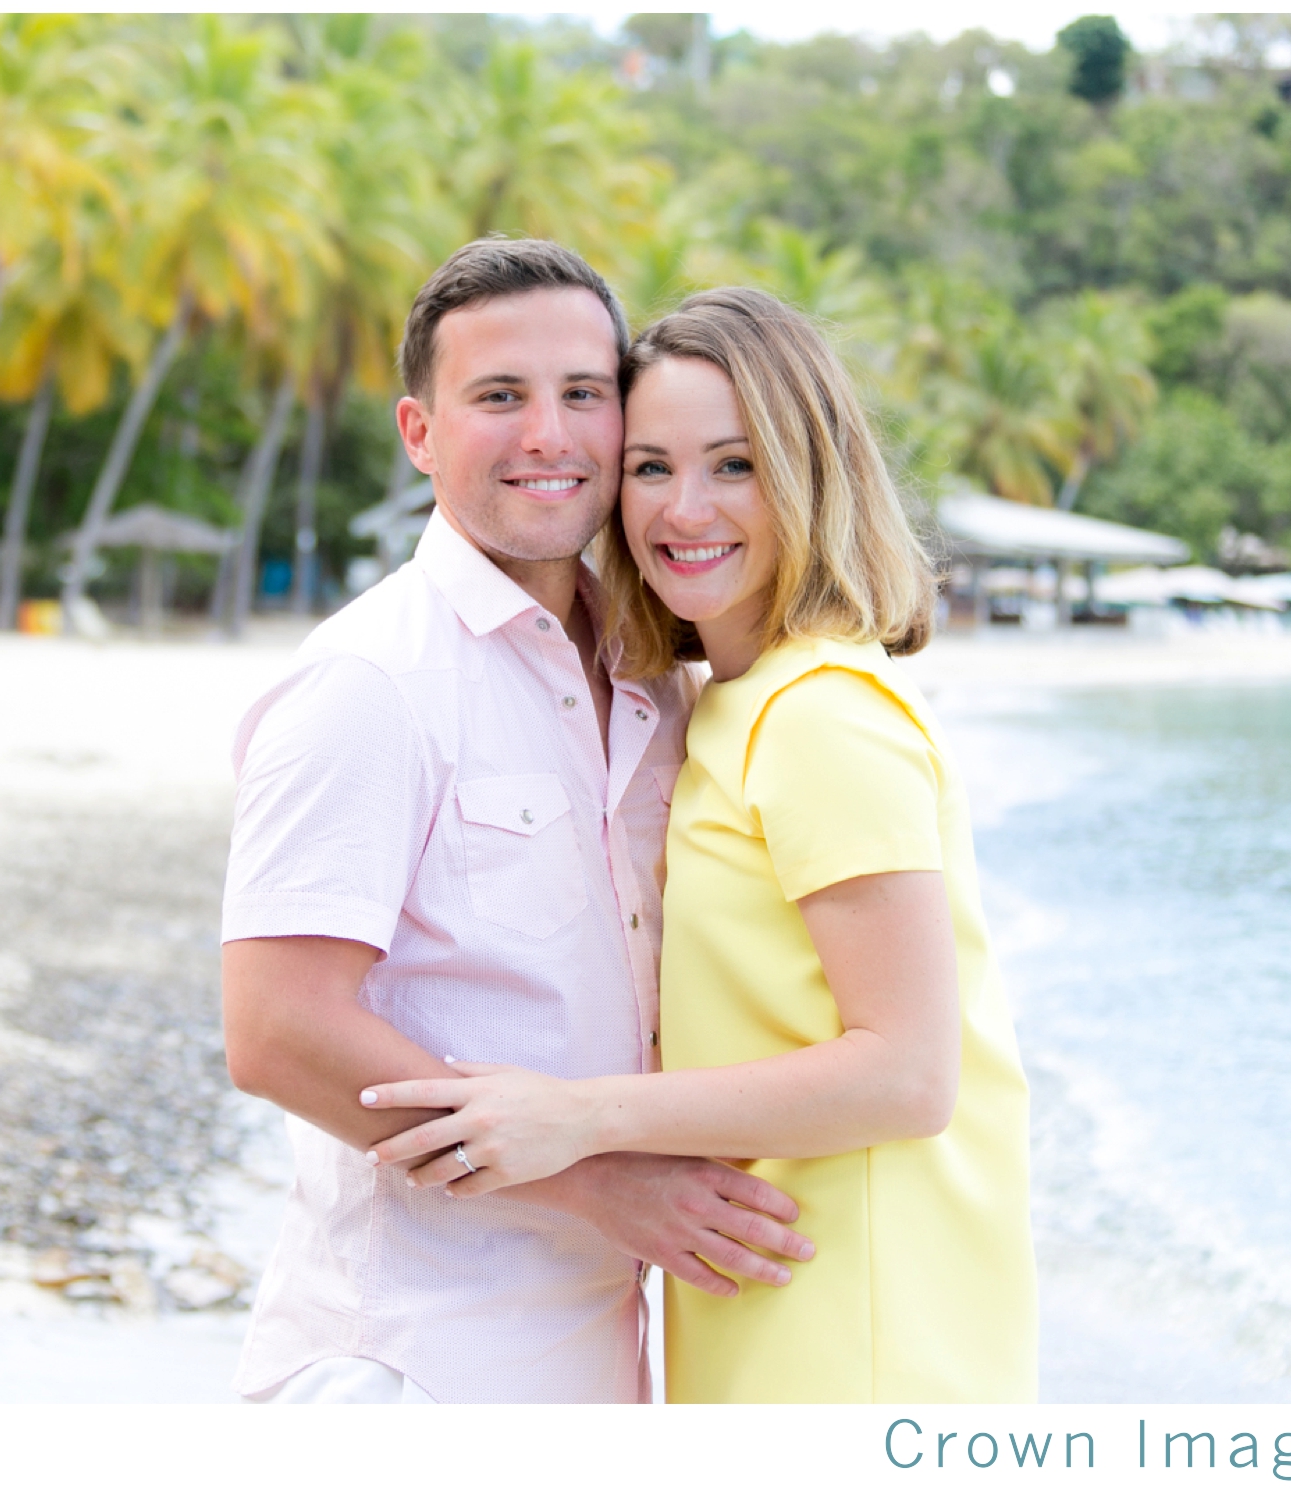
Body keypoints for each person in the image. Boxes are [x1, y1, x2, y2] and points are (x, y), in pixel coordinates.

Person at [361, 286, 1037, 1404]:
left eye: (735, 466)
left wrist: (578, 1120)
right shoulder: (717, 703)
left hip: (860, 1322)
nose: (685, 509)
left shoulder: (821, 715)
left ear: (808, 472)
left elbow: (911, 1073)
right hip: (761, 1281)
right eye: (650, 467)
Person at [220, 242, 815, 1405]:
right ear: (419, 431)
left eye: (582, 394)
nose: (549, 433)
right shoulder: (370, 679)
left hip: (594, 1359)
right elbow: (278, 1028)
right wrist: (599, 1183)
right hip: (407, 1370)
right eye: (500, 396)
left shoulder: (653, 679)